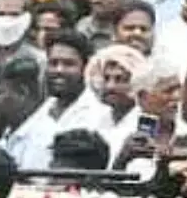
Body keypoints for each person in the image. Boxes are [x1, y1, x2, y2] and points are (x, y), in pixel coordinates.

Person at [11, 31, 112, 170]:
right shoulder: (40, 111)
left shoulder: (100, 115)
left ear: (85, 67)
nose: (59, 70)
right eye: (53, 63)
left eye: (68, 64)